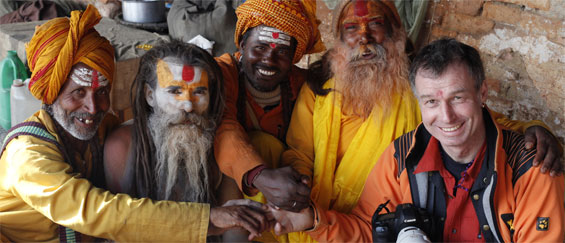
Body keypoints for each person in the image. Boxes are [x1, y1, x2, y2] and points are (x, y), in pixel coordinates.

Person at [279, 0, 563, 242]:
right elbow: (364, 227)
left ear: (396, 36)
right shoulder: (397, 156)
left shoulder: (528, 168)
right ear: (339, 41)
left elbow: (491, 125)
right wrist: (308, 210)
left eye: (375, 26)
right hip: (349, 218)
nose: (364, 39)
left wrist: (534, 131)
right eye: (351, 29)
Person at [0, 6, 270, 242]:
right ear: (52, 92)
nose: (93, 108)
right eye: (78, 93)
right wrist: (208, 220)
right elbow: (97, 211)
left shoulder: (102, 128)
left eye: (101, 92)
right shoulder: (27, 155)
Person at [103, 41, 260, 241]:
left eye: (199, 92)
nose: (187, 105)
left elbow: (235, 234)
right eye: (175, 91)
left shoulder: (220, 145)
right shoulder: (123, 145)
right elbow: (119, 226)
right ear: (150, 96)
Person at [214, 0, 325, 213]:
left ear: (294, 57)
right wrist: (258, 176)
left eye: (282, 52)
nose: (269, 60)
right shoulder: (222, 73)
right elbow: (223, 125)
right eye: (260, 47)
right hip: (228, 191)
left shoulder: (302, 85)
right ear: (242, 44)